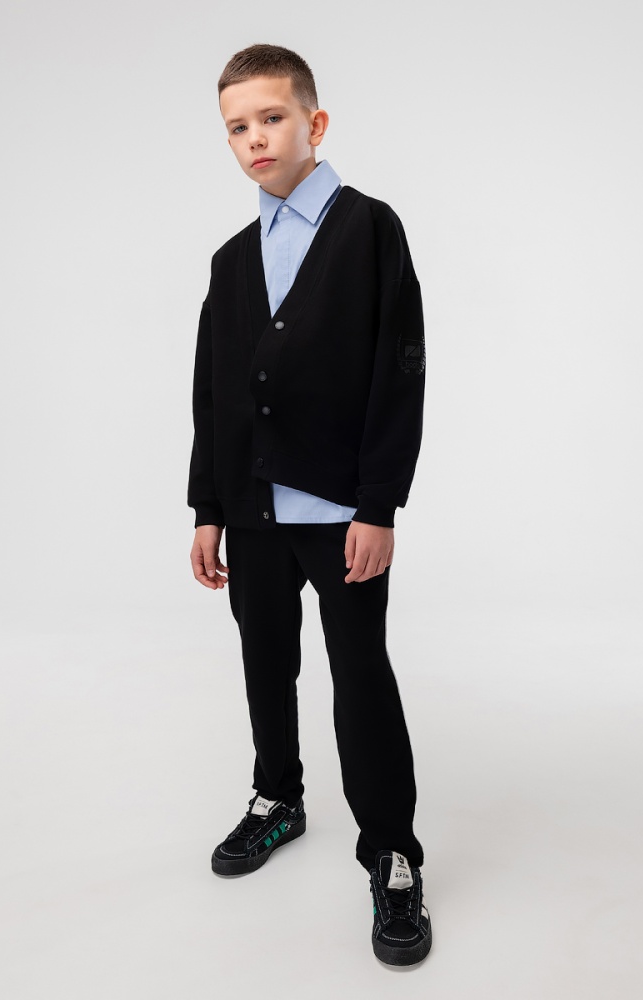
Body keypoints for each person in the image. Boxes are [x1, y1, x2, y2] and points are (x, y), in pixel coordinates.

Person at [187, 42, 431, 967]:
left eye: (272, 118)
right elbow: (212, 392)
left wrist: (378, 505)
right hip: (252, 514)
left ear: (313, 122)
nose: (255, 138)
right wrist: (208, 506)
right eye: (236, 128)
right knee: (266, 662)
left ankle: (393, 852)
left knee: (359, 673)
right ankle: (278, 797)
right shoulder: (230, 261)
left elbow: (398, 374)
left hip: (340, 515)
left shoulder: (369, 230)